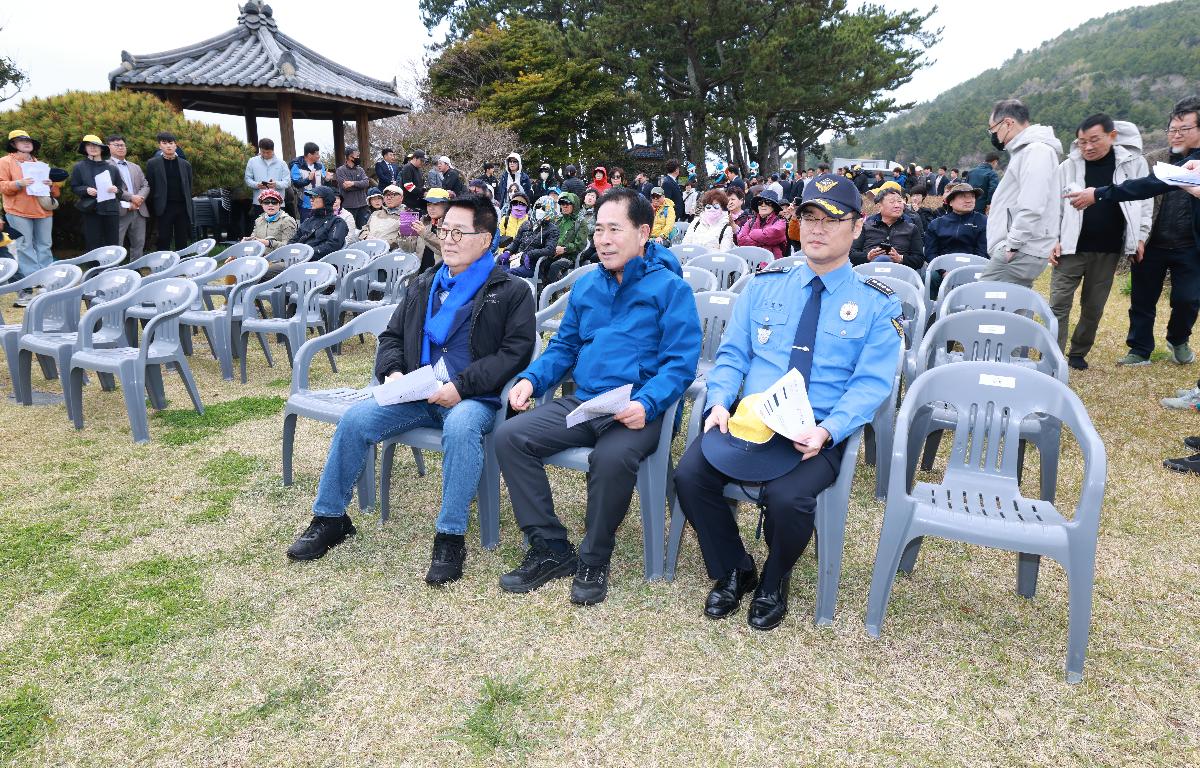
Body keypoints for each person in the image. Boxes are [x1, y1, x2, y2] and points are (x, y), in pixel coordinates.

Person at [674, 172, 900, 630]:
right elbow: (733, 355)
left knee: (788, 497)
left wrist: (828, 429)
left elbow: (871, 383)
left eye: (832, 220)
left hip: (814, 430)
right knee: (690, 475)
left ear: (857, 228)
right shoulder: (765, 283)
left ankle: (775, 580)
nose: (817, 229)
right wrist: (719, 401)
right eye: (809, 217)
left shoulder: (877, 304)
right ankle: (733, 568)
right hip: (754, 421)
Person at [285, 195, 536, 582]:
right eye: (444, 230)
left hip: (472, 396)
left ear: (486, 239)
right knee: (355, 420)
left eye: (459, 232)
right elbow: (392, 337)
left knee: (462, 426)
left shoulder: (510, 289)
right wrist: (393, 373)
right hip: (417, 393)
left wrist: (461, 386)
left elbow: (515, 353)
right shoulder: (424, 283)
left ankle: (450, 537)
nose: (448, 239)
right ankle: (330, 518)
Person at [495, 186, 701, 605]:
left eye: (615, 229)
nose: (603, 239)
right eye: (599, 230)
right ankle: (550, 547)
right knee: (510, 437)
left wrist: (647, 403)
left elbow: (681, 363)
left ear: (643, 233)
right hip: (586, 401)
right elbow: (565, 347)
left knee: (609, 459)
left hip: (639, 407)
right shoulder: (588, 286)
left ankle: (594, 557)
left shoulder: (670, 289)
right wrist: (531, 380)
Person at [1066, 96, 1200, 366]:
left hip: (1190, 245)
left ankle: (1178, 339)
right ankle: (1140, 349)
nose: (1175, 134)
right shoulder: (1157, 160)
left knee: (1188, 299)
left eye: (1182, 129)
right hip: (1154, 243)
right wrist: (1137, 236)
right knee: (1142, 298)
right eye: (1172, 129)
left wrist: (1098, 194)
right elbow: (1141, 189)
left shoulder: (1194, 163)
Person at [1050, 114, 1151, 370]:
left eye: (1094, 140)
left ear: (1112, 136)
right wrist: (1052, 239)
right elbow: (1053, 207)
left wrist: (1140, 237)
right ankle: (1054, 355)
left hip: (1107, 249)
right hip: (1070, 248)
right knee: (1058, 304)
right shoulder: (1067, 167)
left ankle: (1078, 353)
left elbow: (1144, 203)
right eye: (1082, 142)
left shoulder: (1133, 164)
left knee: (1093, 307)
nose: (1088, 147)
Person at [979, 99, 1063, 288]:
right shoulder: (1027, 151)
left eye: (993, 129)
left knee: (982, 302)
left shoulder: (1036, 151)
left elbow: (1032, 204)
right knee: (1014, 305)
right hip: (1022, 248)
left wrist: (1013, 244)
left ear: (1008, 123)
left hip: (1021, 248)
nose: (994, 135)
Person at [0, 130, 59, 292]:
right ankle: (33, 280)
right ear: (13, 144)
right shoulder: (4, 162)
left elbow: (53, 191)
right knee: (24, 245)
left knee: (45, 245)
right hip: (17, 210)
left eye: (29, 141)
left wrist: (50, 184)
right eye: (21, 140)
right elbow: (2, 185)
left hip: (43, 210)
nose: (27, 143)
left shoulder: (39, 163)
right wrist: (19, 183)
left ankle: (47, 280)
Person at [923, 183, 989, 296]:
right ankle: (933, 311)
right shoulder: (937, 224)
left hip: (973, 269)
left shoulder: (983, 222)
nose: (969, 200)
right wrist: (943, 271)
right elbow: (930, 252)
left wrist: (965, 272)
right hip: (943, 270)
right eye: (963, 197)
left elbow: (983, 252)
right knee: (931, 277)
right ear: (951, 202)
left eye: (972, 196)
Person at [69, 135, 128, 251]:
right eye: (89, 145)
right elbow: (75, 187)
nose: (93, 148)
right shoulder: (79, 167)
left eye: (96, 145)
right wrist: (86, 190)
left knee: (112, 243)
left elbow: (120, 191)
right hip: (91, 210)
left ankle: (112, 268)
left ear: (101, 148)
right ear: (85, 148)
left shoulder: (112, 168)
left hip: (111, 210)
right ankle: (94, 268)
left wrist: (116, 190)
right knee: (93, 242)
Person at [849, 185, 925, 269]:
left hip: (900, 275)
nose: (897, 205)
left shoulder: (911, 228)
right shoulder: (866, 226)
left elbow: (919, 260)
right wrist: (868, 256)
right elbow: (851, 254)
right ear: (879, 206)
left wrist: (900, 258)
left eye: (900, 201)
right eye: (892, 202)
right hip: (868, 273)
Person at [144, 132, 194, 251]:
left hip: (182, 206)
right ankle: (163, 264)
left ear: (176, 145)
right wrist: (153, 207)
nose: (168, 146)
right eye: (164, 143)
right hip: (164, 206)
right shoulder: (152, 164)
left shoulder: (185, 164)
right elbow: (150, 185)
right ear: (160, 146)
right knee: (163, 237)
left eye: (171, 143)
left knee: (182, 238)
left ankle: (182, 262)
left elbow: (189, 186)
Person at [106, 134, 149, 262]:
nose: (120, 148)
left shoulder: (135, 166)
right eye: (116, 145)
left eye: (122, 145)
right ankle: (113, 271)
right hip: (119, 210)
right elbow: (109, 188)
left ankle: (136, 269)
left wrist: (139, 199)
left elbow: (145, 184)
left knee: (139, 243)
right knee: (116, 245)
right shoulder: (105, 166)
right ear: (109, 148)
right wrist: (131, 198)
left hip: (139, 209)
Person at [498, 195, 559, 280]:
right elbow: (516, 242)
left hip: (531, 264)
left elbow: (550, 249)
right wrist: (508, 251)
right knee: (496, 267)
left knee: (508, 274)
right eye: (538, 207)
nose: (539, 210)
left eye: (543, 208)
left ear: (550, 210)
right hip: (517, 259)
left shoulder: (552, 229)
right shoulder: (527, 224)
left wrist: (530, 254)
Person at [288, 186, 348, 258]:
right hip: (296, 259)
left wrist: (305, 253)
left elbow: (332, 246)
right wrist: (290, 251)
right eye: (310, 197)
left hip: (318, 264)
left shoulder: (337, 222)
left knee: (274, 268)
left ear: (326, 200)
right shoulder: (308, 220)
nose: (311, 200)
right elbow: (293, 240)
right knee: (273, 265)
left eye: (314, 197)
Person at [544, 192, 591, 283]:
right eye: (562, 203)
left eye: (567, 204)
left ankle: (551, 293)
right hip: (553, 252)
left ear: (574, 205)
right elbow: (549, 236)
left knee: (555, 266)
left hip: (570, 256)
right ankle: (541, 289)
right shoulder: (557, 220)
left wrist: (564, 249)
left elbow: (580, 245)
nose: (564, 206)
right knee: (541, 263)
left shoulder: (580, 222)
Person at [736, 189, 788, 266]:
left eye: (768, 202)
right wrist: (766, 243)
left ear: (774, 206)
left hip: (773, 266)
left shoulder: (780, 221)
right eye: (760, 202)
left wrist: (753, 233)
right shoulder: (750, 221)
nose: (763, 205)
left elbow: (773, 234)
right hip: (751, 264)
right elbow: (741, 239)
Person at [242, 187, 296, 257]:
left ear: (279, 204)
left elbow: (289, 247)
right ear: (262, 205)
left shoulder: (287, 220)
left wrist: (269, 243)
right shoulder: (259, 220)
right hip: (259, 257)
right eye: (266, 202)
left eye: (274, 202)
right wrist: (247, 241)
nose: (270, 205)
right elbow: (254, 240)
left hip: (279, 259)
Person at [244, 138, 290, 218]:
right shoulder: (252, 161)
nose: (265, 154)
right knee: (260, 228)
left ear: (273, 150)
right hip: (259, 203)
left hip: (277, 203)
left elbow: (288, 182)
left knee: (277, 229)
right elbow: (247, 179)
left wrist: (276, 184)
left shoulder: (282, 163)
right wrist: (256, 185)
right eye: (263, 152)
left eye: (268, 152)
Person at [289, 142, 335, 222]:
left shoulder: (320, 166)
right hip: (305, 204)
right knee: (306, 227)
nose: (319, 156)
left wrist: (327, 179)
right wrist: (308, 179)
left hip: (320, 203)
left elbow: (324, 184)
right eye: (317, 154)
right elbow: (296, 183)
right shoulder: (297, 166)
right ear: (309, 155)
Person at [413, 188, 452, 271]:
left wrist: (425, 234)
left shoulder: (452, 225)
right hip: (420, 273)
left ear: (446, 205)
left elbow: (446, 250)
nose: (431, 208)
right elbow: (409, 249)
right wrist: (403, 236)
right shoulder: (423, 222)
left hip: (439, 274)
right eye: (429, 204)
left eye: (436, 204)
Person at [357, 185, 405, 251]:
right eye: (386, 195)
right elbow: (364, 229)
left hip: (390, 253)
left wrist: (382, 242)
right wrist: (366, 237)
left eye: (393, 195)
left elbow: (405, 241)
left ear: (401, 198)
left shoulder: (407, 216)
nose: (389, 198)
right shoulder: (375, 214)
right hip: (368, 248)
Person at [335, 146, 371, 228]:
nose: (358, 157)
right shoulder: (340, 170)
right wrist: (360, 185)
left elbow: (366, 183)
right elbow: (346, 187)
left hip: (362, 205)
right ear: (349, 156)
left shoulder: (360, 170)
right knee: (349, 229)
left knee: (363, 229)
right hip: (348, 206)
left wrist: (352, 183)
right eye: (356, 156)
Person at [399, 149, 427, 213]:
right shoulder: (408, 168)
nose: (423, 163)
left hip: (417, 201)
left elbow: (420, 184)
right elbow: (409, 186)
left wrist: (425, 190)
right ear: (415, 158)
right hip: (409, 202)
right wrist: (423, 193)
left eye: (424, 161)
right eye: (421, 160)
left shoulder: (418, 169)